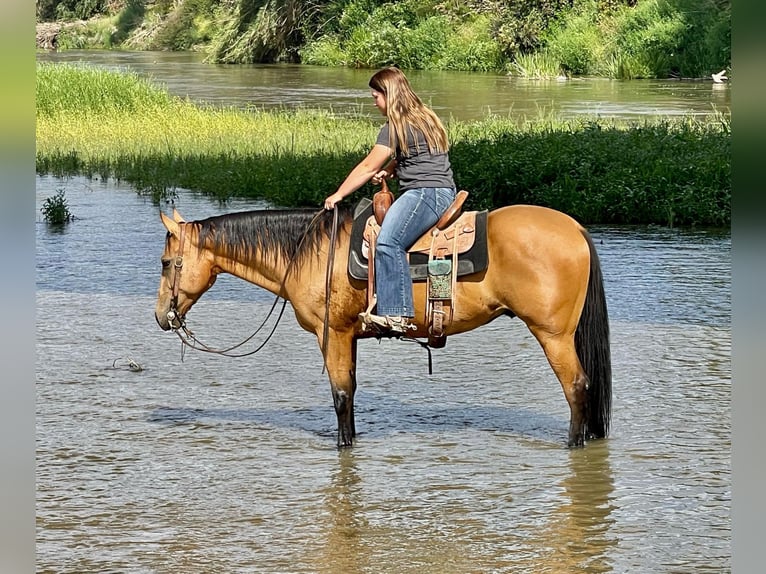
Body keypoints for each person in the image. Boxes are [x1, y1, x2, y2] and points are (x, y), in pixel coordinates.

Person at [324, 67, 456, 333]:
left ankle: (397, 314)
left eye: (376, 97)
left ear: (388, 94)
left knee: (388, 242)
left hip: (424, 193)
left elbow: (367, 167)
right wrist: (393, 169)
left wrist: (338, 194)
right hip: (443, 190)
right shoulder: (425, 117)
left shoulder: (394, 127)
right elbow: (418, 155)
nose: (374, 103)